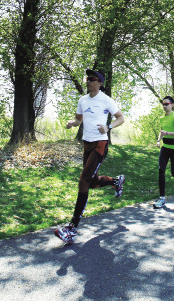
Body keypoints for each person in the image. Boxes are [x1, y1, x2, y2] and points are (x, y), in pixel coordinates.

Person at [54, 69, 125, 244]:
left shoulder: (106, 99)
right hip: (87, 143)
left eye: (92, 79)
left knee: (84, 181)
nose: (88, 81)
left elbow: (121, 118)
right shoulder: (82, 100)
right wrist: (72, 123)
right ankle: (115, 181)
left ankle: (71, 229)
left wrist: (109, 127)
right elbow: (79, 119)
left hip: (100, 144)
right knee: (92, 182)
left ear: (99, 83)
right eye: (87, 79)